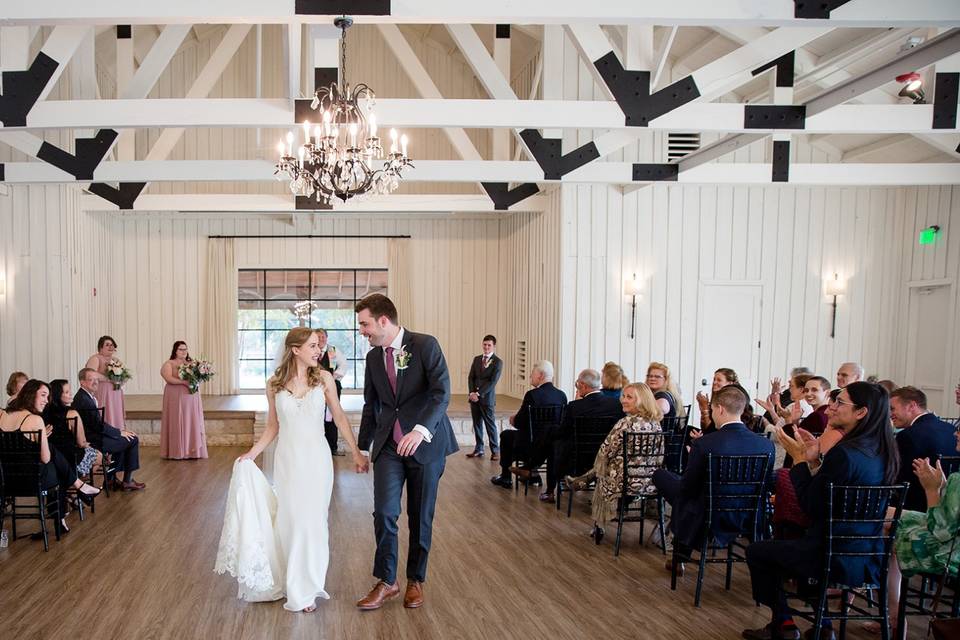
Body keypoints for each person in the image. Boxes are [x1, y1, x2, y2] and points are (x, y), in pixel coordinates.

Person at [742, 382, 899, 640]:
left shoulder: (845, 454)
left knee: (758, 551)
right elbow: (830, 497)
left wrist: (801, 461)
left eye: (840, 403)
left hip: (829, 554)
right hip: (868, 555)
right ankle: (823, 627)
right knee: (798, 543)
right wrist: (814, 460)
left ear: (861, 412)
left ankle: (783, 624)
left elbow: (811, 506)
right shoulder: (884, 452)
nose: (832, 407)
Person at [232, 327, 368, 612]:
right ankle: (289, 579)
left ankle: (306, 588)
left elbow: (340, 417)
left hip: (317, 461)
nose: (319, 351)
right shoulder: (274, 384)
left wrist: (356, 452)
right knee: (290, 520)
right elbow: (273, 426)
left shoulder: (325, 379)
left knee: (312, 522)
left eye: (318, 346)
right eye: (313, 346)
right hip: (288, 461)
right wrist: (252, 454)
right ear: (295, 350)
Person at [354, 294, 459, 611]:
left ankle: (416, 579)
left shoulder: (426, 345)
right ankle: (387, 580)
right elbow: (371, 404)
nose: (362, 331)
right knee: (384, 512)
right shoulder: (374, 358)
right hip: (388, 445)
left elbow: (442, 393)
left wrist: (420, 430)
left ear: (383, 321)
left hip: (426, 445)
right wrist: (361, 447)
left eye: (365, 324)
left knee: (420, 514)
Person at [653, 385, 774, 573]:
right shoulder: (766, 445)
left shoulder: (705, 444)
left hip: (707, 511)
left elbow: (688, 486)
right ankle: (678, 553)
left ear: (719, 409)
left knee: (667, 482)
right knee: (684, 494)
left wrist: (693, 458)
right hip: (748, 513)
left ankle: (678, 554)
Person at [565, 382, 663, 543]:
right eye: (623, 396)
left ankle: (597, 522)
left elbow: (605, 451)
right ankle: (582, 480)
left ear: (642, 400)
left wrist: (603, 466)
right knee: (607, 466)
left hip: (622, 483)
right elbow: (659, 457)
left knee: (603, 469)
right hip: (649, 481)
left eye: (629, 397)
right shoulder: (656, 424)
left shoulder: (625, 423)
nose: (623, 400)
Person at [0, 380, 100, 532]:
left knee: (54, 457)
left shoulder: (2, 416)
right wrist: (43, 439)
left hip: (6, 481)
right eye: (43, 395)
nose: (46, 401)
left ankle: (78, 488)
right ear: (30, 395)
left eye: (48, 397)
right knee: (55, 466)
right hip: (33, 481)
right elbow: (45, 458)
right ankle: (76, 490)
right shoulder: (35, 420)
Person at [515, 369, 624, 502]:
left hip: (576, 460)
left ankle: (541, 479)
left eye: (577, 384)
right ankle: (531, 467)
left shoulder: (575, 406)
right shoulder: (616, 405)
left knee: (553, 442)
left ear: (583, 386)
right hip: (605, 457)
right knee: (552, 437)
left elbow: (562, 432)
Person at [491, 360, 567, 489]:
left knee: (506, 435)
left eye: (532, 374)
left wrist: (513, 419)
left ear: (541, 376)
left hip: (531, 444)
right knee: (527, 434)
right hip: (553, 444)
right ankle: (532, 474)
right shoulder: (561, 396)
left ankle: (506, 477)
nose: (530, 376)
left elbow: (521, 422)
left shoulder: (532, 395)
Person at [73, 368, 145, 491]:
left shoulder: (86, 396)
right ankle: (126, 480)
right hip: (93, 441)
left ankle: (111, 479)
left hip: (95, 436)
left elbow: (98, 424)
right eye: (91, 379)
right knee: (132, 440)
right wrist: (119, 432)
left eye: (97, 379)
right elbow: (98, 425)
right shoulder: (84, 400)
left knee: (124, 439)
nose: (95, 382)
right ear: (82, 382)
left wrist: (118, 433)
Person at [891, 386, 957, 511]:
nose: (890, 414)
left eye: (893, 409)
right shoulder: (951, 429)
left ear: (912, 406)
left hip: (918, 507)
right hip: (951, 505)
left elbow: (900, 479)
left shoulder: (908, 436)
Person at [43, 379, 101, 478]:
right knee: (99, 456)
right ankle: (75, 482)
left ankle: (71, 481)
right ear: (58, 395)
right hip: (70, 456)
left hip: (51, 457)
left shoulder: (43, 412)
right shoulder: (71, 413)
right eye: (66, 392)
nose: (71, 394)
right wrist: (89, 445)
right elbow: (81, 443)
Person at [160, 341, 208, 460]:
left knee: (191, 420)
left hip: (191, 396)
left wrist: (197, 380)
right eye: (181, 349)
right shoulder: (169, 363)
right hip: (175, 396)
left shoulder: (192, 363)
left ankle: (193, 451)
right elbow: (168, 378)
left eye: (185, 349)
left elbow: (198, 377)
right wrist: (184, 383)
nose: (184, 351)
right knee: (177, 420)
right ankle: (177, 451)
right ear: (175, 351)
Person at [466, 334, 503, 460]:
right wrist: (471, 392)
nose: (486, 347)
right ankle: (479, 448)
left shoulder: (497, 362)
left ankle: (495, 450)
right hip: (474, 398)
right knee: (477, 424)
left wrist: (479, 393)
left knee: (490, 425)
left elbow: (493, 382)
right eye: (485, 344)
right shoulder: (477, 359)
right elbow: (471, 377)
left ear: (494, 346)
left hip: (487, 399)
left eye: (489, 345)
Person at [84, 335, 127, 429]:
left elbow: (124, 375)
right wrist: (109, 379)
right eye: (107, 345)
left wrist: (121, 380)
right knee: (106, 412)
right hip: (103, 391)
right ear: (100, 347)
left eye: (112, 345)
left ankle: (118, 431)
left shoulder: (115, 360)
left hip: (116, 392)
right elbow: (91, 374)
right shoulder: (95, 358)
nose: (111, 347)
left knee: (115, 411)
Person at [316, 328, 347, 456]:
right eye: (318, 337)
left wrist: (333, 377)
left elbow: (343, 365)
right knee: (317, 414)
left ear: (326, 338)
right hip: (315, 388)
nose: (321, 339)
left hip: (333, 386)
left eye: (323, 337)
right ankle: (318, 446)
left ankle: (332, 446)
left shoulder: (332, 351)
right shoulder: (312, 350)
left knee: (331, 415)